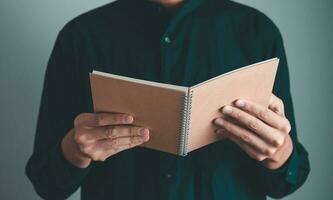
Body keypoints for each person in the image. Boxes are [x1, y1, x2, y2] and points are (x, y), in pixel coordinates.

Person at [25, 0, 310, 199]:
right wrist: (76, 149)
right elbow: (47, 183)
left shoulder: (257, 32)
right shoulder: (80, 36)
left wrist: (280, 154)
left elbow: (286, 182)